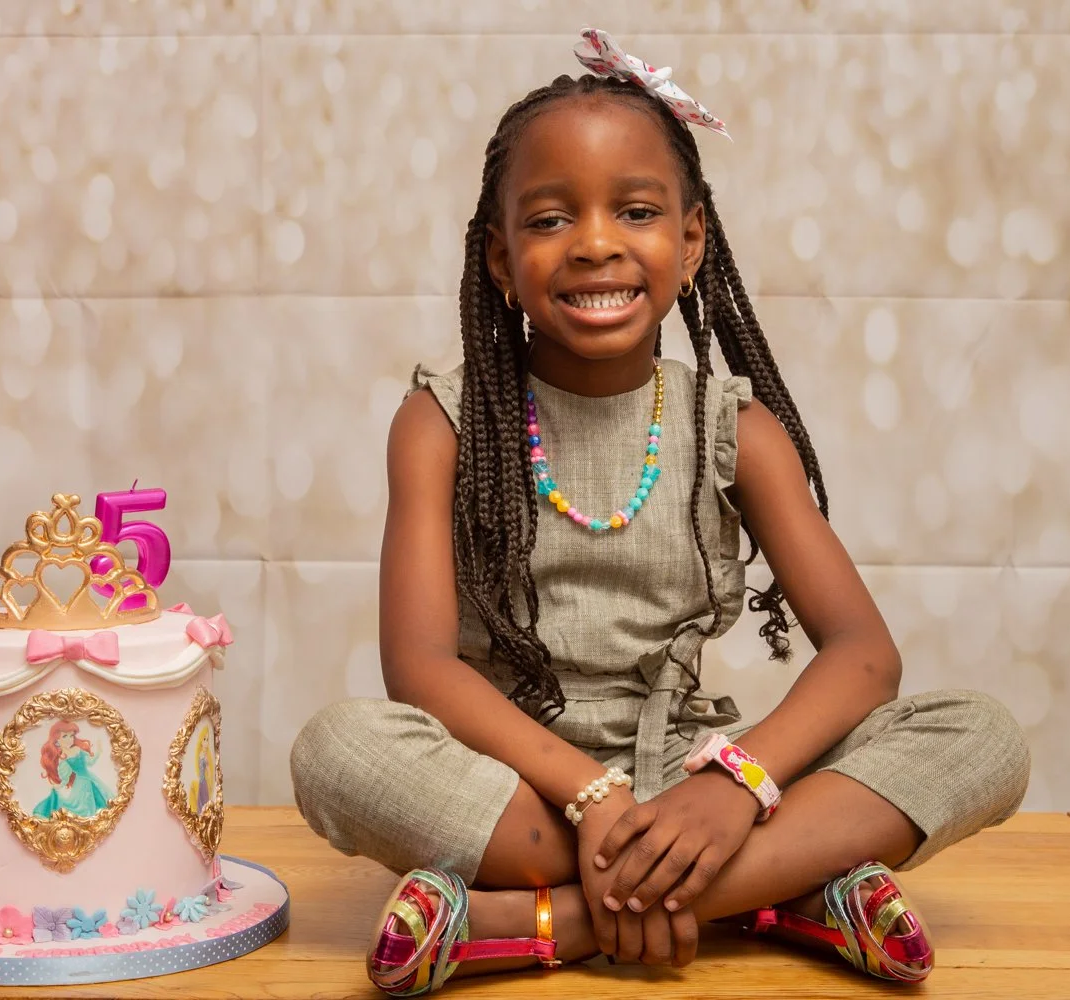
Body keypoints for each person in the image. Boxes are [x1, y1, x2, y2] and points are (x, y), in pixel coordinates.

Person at [288, 28, 1030, 995]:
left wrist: (736, 788)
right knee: (337, 751)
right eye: (551, 220)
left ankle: (543, 921)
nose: (596, 242)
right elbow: (421, 668)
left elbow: (863, 654)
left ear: (688, 243)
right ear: (501, 259)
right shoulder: (443, 422)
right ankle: (779, 896)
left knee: (980, 735)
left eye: (634, 211)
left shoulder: (734, 428)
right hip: (524, 787)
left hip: (697, 775)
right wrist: (592, 794)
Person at [32, 719, 113, 819]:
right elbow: (65, 778)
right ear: (57, 740)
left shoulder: (77, 750)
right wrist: (59, 785)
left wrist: (98, 752)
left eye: (71, 736)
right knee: (78, 804)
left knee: (98, 799)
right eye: (65, 736)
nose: (69, 739)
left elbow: (90, 762)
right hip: (77, 783)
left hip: (89, 780)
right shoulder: (62, 758)